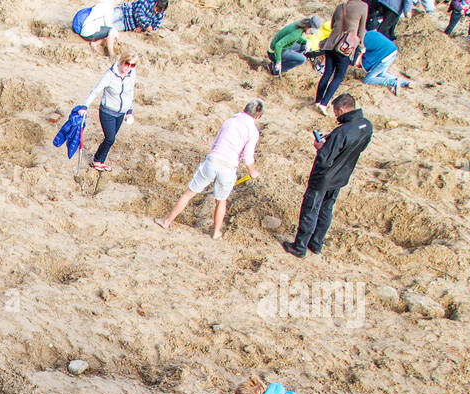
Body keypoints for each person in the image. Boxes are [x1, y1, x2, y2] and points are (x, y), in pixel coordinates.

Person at [283, 92, 372, 257]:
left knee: (311, 209)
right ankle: (316, 244)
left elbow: (324, 159)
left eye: (337, 112)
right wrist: (331, 140)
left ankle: (300, 247)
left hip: (324, 178)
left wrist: (321, 147)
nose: (336, 115)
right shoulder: (366, 126)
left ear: (343, 109)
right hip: (341, 176)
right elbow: (359, 146)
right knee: (326, 209)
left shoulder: (342, 132)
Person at [157, 100, 262, 240]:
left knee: (189, 193)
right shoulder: (252, 131)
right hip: (228, 168)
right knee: (221, 201)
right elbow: (247, 156)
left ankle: (167, 221)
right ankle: (216, 232)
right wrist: (252, 171)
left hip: (212, 161)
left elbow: (215, 142)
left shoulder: (229, 122)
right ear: (257, 116)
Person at [80, 52, 138, 171]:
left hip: (121, 113)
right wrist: (85, 106)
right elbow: (96, 91)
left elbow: (130, 92)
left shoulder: (131, 74)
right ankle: (96, 160)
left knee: (111, 138)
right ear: (122, 61)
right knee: (110, 138)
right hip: (107, 111)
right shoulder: (110, 75)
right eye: (127, 64)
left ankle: (100, 162)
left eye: (132, 65)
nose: (129, 68)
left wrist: (129, 111)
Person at [315, 0, 369, 113]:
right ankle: (324, 104)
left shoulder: (341, 6)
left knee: (326, 74)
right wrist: (361, 46)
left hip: (331, 43)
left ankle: (317, 101)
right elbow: (361, 31)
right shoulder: (363, 6)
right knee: (338, 77)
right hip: (345, 46)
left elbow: (331, 25)